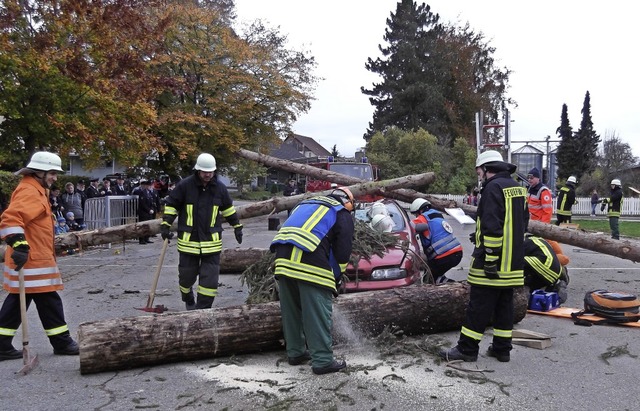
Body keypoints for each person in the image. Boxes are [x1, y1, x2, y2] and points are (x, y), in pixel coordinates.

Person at [440, 150, 528, 363]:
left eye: (479, 170)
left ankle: (467, 350)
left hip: (493, 262)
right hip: (513, 262)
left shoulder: (492, 188)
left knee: (479, 306)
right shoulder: (518, 189)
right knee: (504, 305)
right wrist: (478, 235)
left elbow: (492, 226)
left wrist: (489, 257)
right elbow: (520, 223)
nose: (478, 174)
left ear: (487, 169)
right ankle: (502, 348)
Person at [0, 151, 79, 361]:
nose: (55, 178)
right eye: (52, 173)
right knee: (49, 300)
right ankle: (62, 342)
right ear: (39, 172)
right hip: (32, 260)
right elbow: (10, 220)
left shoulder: (36, 189)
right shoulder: (30, 191)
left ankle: (1, 345)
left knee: (19, 302)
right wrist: (20, 246)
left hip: (33, 259)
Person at [270, 187, 355, 375]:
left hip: (282, 261)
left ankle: (295, 352)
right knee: (316, 313)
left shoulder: (306, 205)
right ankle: (323, 361)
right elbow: (342, 251)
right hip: (310, 261)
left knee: (291, 309)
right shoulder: (341, 212)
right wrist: (337, 277)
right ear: (348, 202)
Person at [160, 153, 243, 310]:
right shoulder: (185, 186)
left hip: (211, 244)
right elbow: (172, 205)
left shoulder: (220, 188)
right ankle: (188, 297)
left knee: (209, 282)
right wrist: (166, 224)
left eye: (210, 172)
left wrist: (237, 226)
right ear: (198, 170)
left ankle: (202, 311)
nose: (208, 174)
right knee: (185, 279)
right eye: (205, 171)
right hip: (188, 243)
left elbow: (228, 210)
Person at [409, 198, 462, 284]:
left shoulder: (423, 217)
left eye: (416, 214)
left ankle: (456, 288)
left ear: (420, 210)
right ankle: (451, 285)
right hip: (457, 252)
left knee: (430, 280)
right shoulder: (438, 214)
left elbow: (409, 227)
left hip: (443, 256)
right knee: (436, 275)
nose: (416, 216)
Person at [523, 235, 569, 304]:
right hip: (553, 268)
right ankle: (554, 285)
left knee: (516, 264)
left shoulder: (516, 242)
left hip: (545, 267)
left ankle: (527, 294)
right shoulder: (533, 238)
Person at [133, 180, 155, 244]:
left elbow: (152, 202)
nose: (150, 187)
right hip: (143, 212)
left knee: (148, 226)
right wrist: (148, 210)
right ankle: (142, 239)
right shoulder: (142, 193)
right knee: (142, 226)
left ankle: (147, 238)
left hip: (149, 212)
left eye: (150, 185)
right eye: (148, 185)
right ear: (146, 186)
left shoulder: (150, 193)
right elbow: (142, 204)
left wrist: (152, 209)